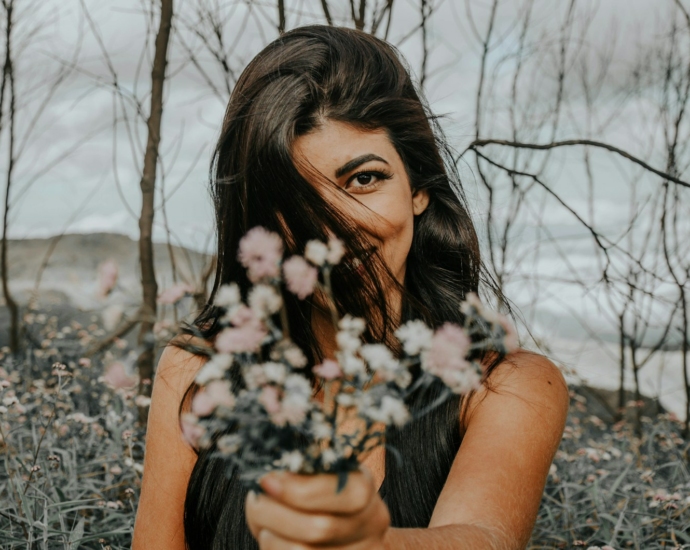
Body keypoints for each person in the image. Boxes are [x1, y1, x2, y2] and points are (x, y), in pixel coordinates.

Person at [132, 25, 569, 550]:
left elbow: (483, 536)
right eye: (297, 201)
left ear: (419, 188)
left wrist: (363, 543)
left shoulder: (506, 385)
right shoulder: (198, 371)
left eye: (364, 179)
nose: (338, 230)